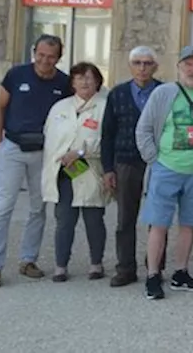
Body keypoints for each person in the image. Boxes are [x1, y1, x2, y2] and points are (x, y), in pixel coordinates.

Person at [136, 45, 193, 300]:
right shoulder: (163, 93)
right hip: (166, 168)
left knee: (188, 224)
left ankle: (181, 272)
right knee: (159, 224)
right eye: (188, 64)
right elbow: (143, 129)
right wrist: (154, 161)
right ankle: (153, 275)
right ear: (179, 67)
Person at [0, 34, 71, 289]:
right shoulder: (16, 75)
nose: (44, 61)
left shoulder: (63, 83)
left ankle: (28, 260)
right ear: (34, 52)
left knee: (37, 208)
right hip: (12, 147)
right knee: (3, 207)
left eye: (50, 57)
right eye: (40, 55)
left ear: (58, 58)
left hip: (43, 153)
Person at [42, 62, 110, 283]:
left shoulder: (105, 106)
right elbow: (49, 137)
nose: (84, 82)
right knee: (64, 220)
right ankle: (61, 266)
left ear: (98, 82)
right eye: (80, 78)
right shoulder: (60, 108)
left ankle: (96, 264)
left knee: (93, 219)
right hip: (64, 171)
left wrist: (80, 152)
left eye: (89, 78)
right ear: (72, 82)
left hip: (90, 169)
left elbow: (107, 141)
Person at [102, 45, 163, 287]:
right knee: (125, 218)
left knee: (158, 218)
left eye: (147, 63)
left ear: (155, 66)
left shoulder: (165, 92)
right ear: (130, 66)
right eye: (137, 63)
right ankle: (125, 268)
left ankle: (155, 266)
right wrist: (108, 169)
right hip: (126, 162)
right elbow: (107, 134)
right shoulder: (117, 94)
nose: (142, 68)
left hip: (158, 162)